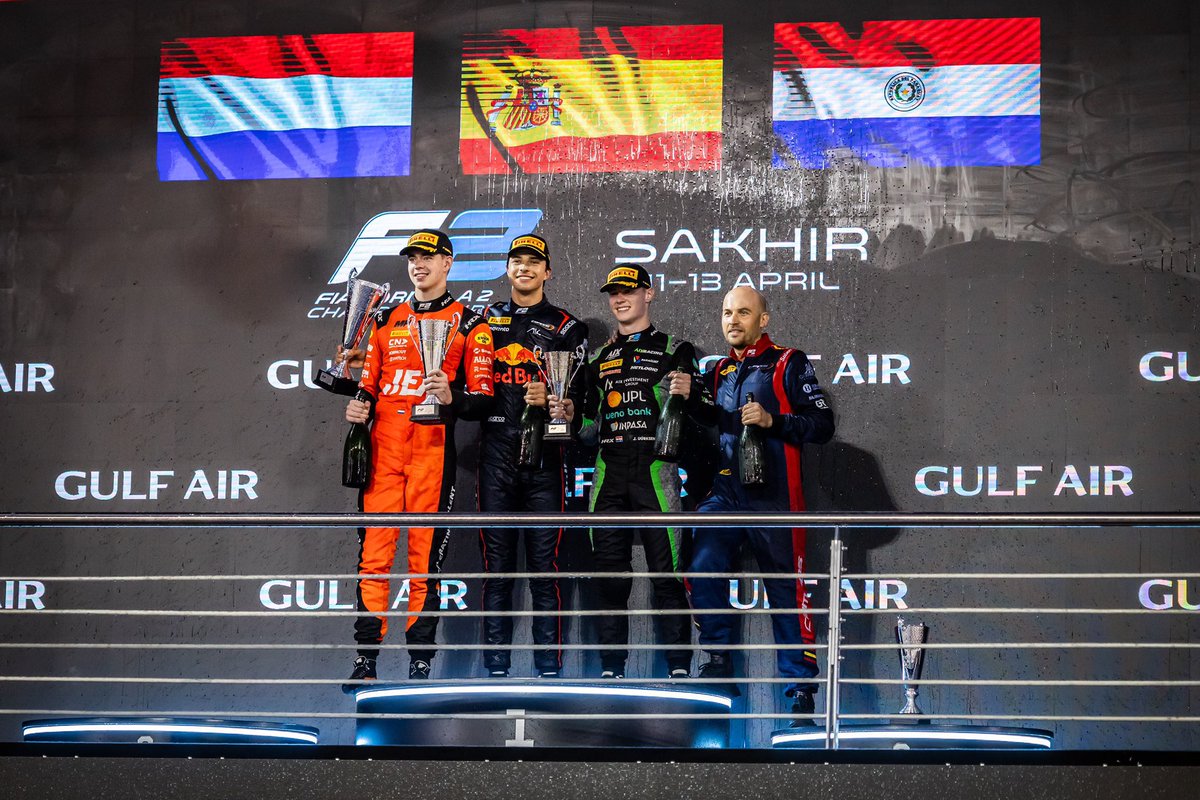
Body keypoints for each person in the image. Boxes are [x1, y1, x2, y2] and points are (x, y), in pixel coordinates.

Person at [340, 229, 494, 688]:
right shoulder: (385, 317)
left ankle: (420, 660)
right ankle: (366, 659)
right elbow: (368, 385)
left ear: (448, 263)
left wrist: (453, 398)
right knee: (373, 559)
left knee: (425, 562)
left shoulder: (471, 322)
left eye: (428, 257)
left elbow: (484, 398)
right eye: (412, 257)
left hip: (432, 451)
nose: (418, 264)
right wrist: (356, 403)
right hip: (384, 450)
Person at [555, 264, 716, 679]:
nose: (620, 299)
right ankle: (612, 668)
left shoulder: (676, 349)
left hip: (656, 470)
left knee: (667, 575)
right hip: (608, 472)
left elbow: (705, 415)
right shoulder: (598, 358)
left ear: (650, 293)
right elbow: (589, 431)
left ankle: (679, 666)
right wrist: (571, 417)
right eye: (613, 293)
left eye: (628, 290)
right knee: (610, 579)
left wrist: (691, 396)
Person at [688, 286, 835, 723]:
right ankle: (717, 661)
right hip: (725, 491)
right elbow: (715, 420)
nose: (732, 320)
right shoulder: (716, 372)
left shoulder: (789, 362)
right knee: (701, 567)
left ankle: (800, 690)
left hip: (774, 495)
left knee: (787, 590)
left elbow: (823, 424)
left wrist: (775, 422)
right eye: (726, 313)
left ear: (763, 320)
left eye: (743, 313)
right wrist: (687, 399)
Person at [478, 233, 588, 678]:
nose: (523, 268)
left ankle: (548, 667)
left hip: (545, 460)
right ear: (507, 269)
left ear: (548, 272)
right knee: (497, 567)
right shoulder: (483, 320)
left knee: (545, 567)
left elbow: (579, 400)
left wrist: (561, 404)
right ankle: (496, 668)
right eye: (516, 260)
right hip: (495, 455)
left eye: (533, 261)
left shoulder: (567, 327)